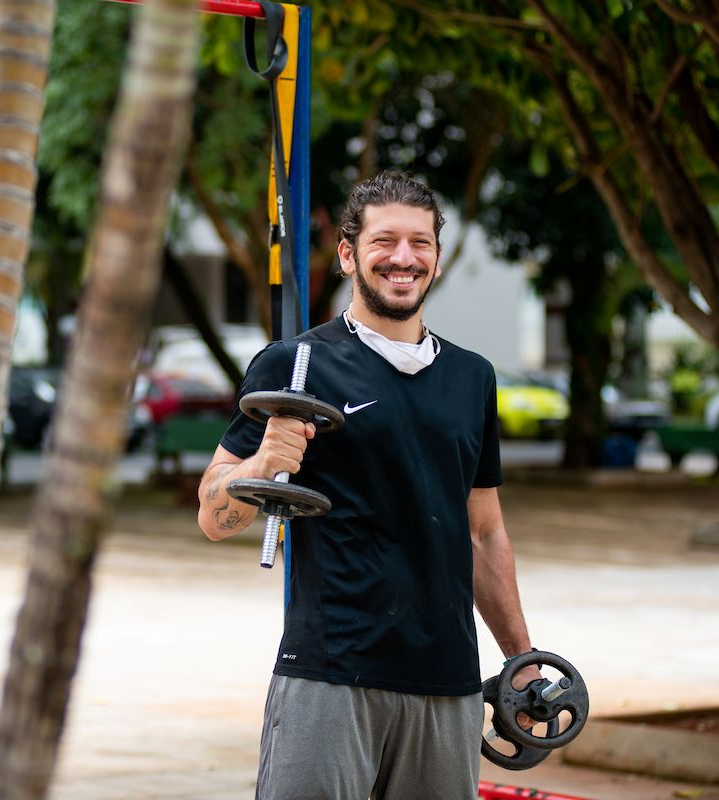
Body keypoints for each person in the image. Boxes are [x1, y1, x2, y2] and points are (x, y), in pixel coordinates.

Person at [197, 169, 539, 799]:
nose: (403, 259)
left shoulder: (473, 378)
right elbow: (215, 515)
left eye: (421, 243)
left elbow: (485, 533)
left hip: (448, 683)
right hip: (331, 675)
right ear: (350, 254)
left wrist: (520, 658)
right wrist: (258, 464)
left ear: (436, 256)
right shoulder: (293, 366)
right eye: (384, 242)